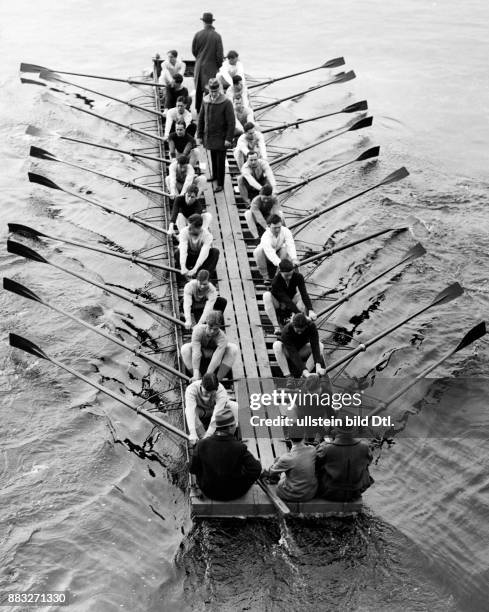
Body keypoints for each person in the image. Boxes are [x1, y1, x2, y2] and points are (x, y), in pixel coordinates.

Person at [190, 408, 262, 501]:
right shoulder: (239, 447)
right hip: (234, 493)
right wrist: (244, 478)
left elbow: (193, 469)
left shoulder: (201, 444)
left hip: (209, 491)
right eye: (234, 425)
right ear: (230, 427)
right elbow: (256, 469)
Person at [315, 422, 374, 502]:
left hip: (329, 492)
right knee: (365, 466)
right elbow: (369, 462)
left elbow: (316, 464)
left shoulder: (327, 448)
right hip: (355, 492)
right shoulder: (365, 447)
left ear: (336, 430)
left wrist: (323, 444)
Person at [196, 78, 235, 192]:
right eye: (212, 91)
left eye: (215, 90)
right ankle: (214, 175)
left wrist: (228, 138)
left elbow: (231, 122)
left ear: (219, 89)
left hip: (221, 136)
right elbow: (201, 119)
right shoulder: (205, 100)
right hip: (209, 135)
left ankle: (220, 184)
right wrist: (199, 135)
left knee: (221, 160)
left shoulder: (226, 102)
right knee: (212, 156)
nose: (213, 93)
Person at [263, 258, 316, 336]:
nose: (290, 277)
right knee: (266, 295)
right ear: (280, 272)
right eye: (287, 275)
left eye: (291, 274)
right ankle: (276, 327)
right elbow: (286, 300)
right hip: (279, 303)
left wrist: (311, 310)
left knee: (300, 295)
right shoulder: (276, 282)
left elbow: (304, 293)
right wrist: (303, 316)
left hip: (292, 300)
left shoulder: (298, 277)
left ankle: (294, 323)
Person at [181, 310, 238, 381]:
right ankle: (197, 377)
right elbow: (196, 353)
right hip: (201, 353)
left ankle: (217, 379)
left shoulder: (223, 337)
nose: (212, 332)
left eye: (215, 329)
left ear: (219, 327)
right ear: (206, 323)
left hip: (214, 355)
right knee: (184, 348)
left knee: (233, 348)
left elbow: (217, 358)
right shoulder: (198, 330)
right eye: (210, 328)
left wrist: (207, 376)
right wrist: (195, 374)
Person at [184, 372, 238, 444]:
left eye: (211, 393)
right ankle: (203, 440)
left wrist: (208, 435)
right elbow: (190, 411)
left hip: (216, 411)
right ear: (201, 385)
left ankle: (228, 439)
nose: (208, 395)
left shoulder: (221, 391)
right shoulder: (191, 389)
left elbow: (215, 416)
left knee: (235, 406)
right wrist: (192, 432)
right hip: (201, 411)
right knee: (188, 412)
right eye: (206, 392)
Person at [265, 433, 318, 501]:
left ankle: (273, 480)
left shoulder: (287, 458)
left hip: (293, 494)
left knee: (277, 463)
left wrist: (277, 463)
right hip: (310, 493)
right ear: (304, 436)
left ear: (288, 437)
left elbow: (271, 472)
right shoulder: (312, 450)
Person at [273, 312, 326, 379]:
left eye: (302, 330)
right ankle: (288, 376)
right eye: (297, 331)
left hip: (302, 350)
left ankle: (305, 375)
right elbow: (293, 353)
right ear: (293, 325)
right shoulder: (286, 331)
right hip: (289, 352)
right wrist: (304, 370)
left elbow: (315, 345)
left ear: (306, 326)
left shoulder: (311, 326)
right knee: (276, 345)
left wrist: (318, 365)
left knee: (320, 345)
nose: (300, 333)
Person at [192, 12, 224, 113]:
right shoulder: (217, 36)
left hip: (199, 66)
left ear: (203, 22)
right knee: (209, 89)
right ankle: (208, 110)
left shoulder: (198, 34)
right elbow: (219, 55)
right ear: (212, 22)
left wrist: (199, 58)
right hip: (211, 67)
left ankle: (198, 111)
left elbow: (194, 51)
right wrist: (218, 66)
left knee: (198, 89)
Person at [253, 214, 298, 282]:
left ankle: (278, 275)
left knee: (285, 249)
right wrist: (280, 264)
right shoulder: (265, 237)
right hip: (267, 257)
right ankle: (266, 277)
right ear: (268, 226)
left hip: (279, 254)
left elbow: (290, 245)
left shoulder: (285, 231)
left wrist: (294, 258)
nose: (277, 230)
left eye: (279, 227)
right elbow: (271, 254)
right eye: (274, 228)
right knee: (257, 251)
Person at [175, 213, 219, 278]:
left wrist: (195, 269)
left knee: (215, 252)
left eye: (191, 228)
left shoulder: (207, 236)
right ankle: (183, 272)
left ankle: (203, 276)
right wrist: (183, 266)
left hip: (200, 258)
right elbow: (183, 250)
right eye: (188, 226)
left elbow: (203, 254)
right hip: (189, 257)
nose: (188, 229)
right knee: (177, 252)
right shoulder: (184, 232)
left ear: (199, 228)